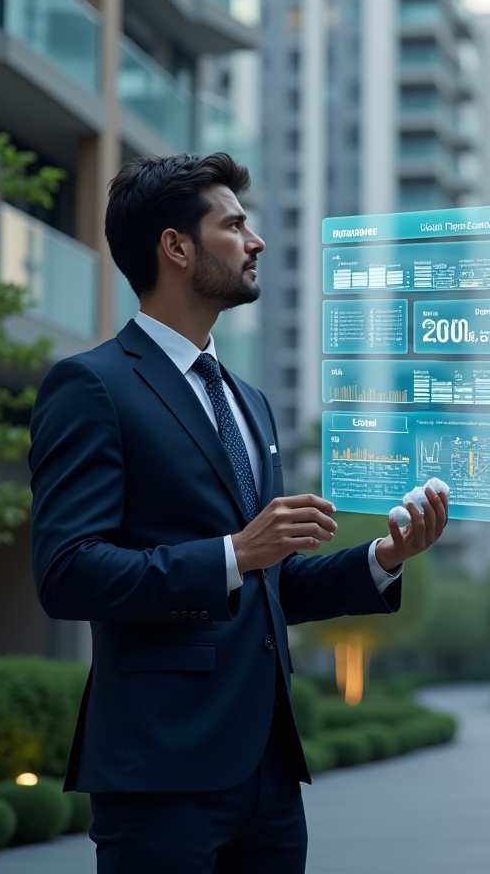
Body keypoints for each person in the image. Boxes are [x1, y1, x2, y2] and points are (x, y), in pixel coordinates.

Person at [29, 152, 448, 874]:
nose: (255, 242)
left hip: (269, 774)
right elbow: (66, 572)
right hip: (160, 773)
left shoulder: (247, 402)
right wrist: (231, 553)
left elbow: (267, 587)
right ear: (177, 247)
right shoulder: (90, 386)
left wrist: (383, 560)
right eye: (235, 225)